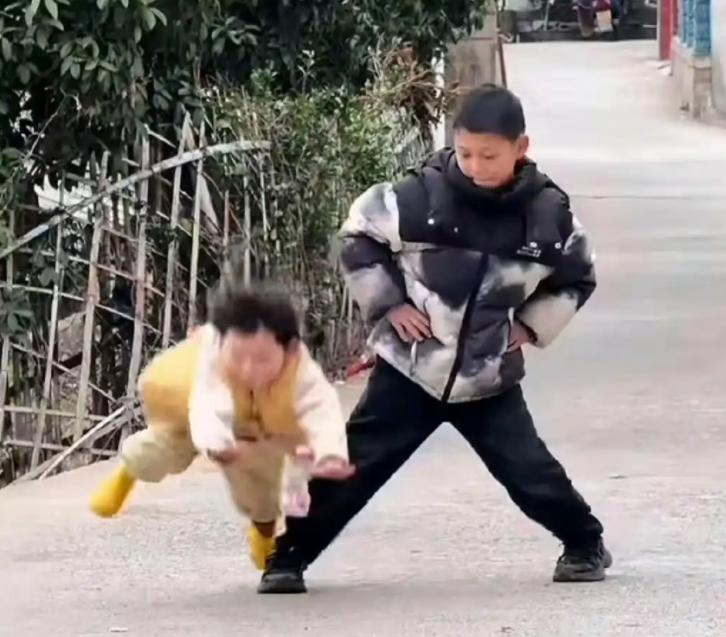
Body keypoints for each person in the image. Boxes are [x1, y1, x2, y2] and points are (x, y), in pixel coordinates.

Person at [258, 84, 610, 594]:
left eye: (489, 155)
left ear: (521, 148)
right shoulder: (416, 198)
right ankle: (287, 558)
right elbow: (358, 236)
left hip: (487, 378)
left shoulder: (548, 217)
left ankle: (584, 544)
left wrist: (530, 325)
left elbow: (578, 277)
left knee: (530, 471)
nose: (475, 166)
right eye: (465, 153)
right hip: (410, 369)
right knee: (354, 468)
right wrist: (389, 304)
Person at [89, 278, 353, 570]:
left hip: (256, 425)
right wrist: (217, 445)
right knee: (157, 452)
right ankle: (126, 475)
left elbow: (322, 409)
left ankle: (264, 536)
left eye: (262, 360)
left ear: (288, 350)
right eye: (238, 357)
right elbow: (208, 406)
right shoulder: (214, 362)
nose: (248, 369)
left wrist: (329, 452)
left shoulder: (300, 370)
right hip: (188, 409)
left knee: (262, 487)